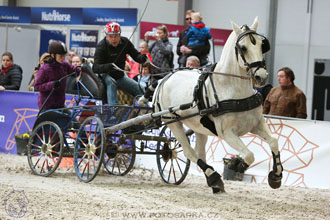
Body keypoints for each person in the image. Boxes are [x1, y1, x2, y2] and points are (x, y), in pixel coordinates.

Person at [93, 22, 147, 105]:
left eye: (116, 36)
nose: (114, 39)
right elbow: (95, 68)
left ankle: (143, 111)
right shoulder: (101, 46)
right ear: (106, 36)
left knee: (140, 89)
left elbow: (136, 55)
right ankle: (114, 111)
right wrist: (109, 66)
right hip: (105, 75)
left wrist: (142, 58)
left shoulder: (125, 42)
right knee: (112, 82)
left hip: (120, 76)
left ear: (120, 35)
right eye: (111, 36)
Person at [34, 41, 81, 111]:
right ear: (53, 55)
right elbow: (36, 87)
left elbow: (74, 70)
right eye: (60, 56)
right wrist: (52, 84)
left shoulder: (64, 64)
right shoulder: (44, 69)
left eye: (64, 56)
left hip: (60, 104)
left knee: (74, 121)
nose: (63, 58)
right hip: (47, 106)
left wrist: (83, 68)